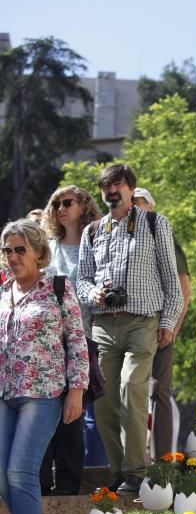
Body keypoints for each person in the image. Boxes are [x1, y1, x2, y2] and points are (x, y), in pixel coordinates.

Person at [77, 163, 183, 494]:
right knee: (104, 401)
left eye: (118, 186)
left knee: (130, 387)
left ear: (131, 190)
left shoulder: (155, 223)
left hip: (142, 322)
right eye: (106, 187)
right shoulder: (92, 231)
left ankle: (137, 470)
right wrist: (91, 292)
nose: (111, 192)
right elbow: (81, 279)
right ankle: (118, 469)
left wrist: (168, 322)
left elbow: (172, 280)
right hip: (104, 326)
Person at [0, 220, 88, 514]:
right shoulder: (3, 292)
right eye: (7, 250)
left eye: (20, 249)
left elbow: (77, 340)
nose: (13, 256)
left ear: (38, 252)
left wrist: (77, 390)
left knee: (21, 471)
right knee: (1, 475)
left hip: (44, 391)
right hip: (6, 393)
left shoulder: (57, 286)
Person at [39, 185, 103, 495]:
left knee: (75, 414)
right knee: (46, 412)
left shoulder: (96, 242)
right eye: (55, 204)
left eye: (67, 202)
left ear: (83, 206)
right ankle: (43, 482)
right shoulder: (47, 247)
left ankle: (68, 486)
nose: (60, 209)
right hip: (48, 341)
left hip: (86, 337)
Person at [132, 187, 191, 459]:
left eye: (140, 203)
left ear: (151, 207)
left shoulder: (163, 236)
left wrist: (172, 329)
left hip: (160, 330)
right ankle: (131, 463)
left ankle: (163, 463)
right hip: (128, 332)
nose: (134, 207)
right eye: (131, 203)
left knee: (160, 394)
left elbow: (183, 290)